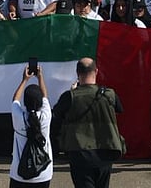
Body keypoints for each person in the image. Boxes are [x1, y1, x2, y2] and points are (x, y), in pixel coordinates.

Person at [51, 57, 125, 188]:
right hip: (106, 150)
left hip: (80, 152)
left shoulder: (69, 97)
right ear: (96, 71)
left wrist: (73, 91)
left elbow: (56, 114)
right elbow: (120, 108)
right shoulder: (109, 94)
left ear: (77, 73)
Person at [10, 65, 53, 188]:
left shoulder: (19, 117)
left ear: (25, 102)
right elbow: (45, 96)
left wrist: (25, 79)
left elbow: (15, 100)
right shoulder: (45, 116)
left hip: (19, 174)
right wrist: (40, 77)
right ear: (40, 102)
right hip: (43, 173)